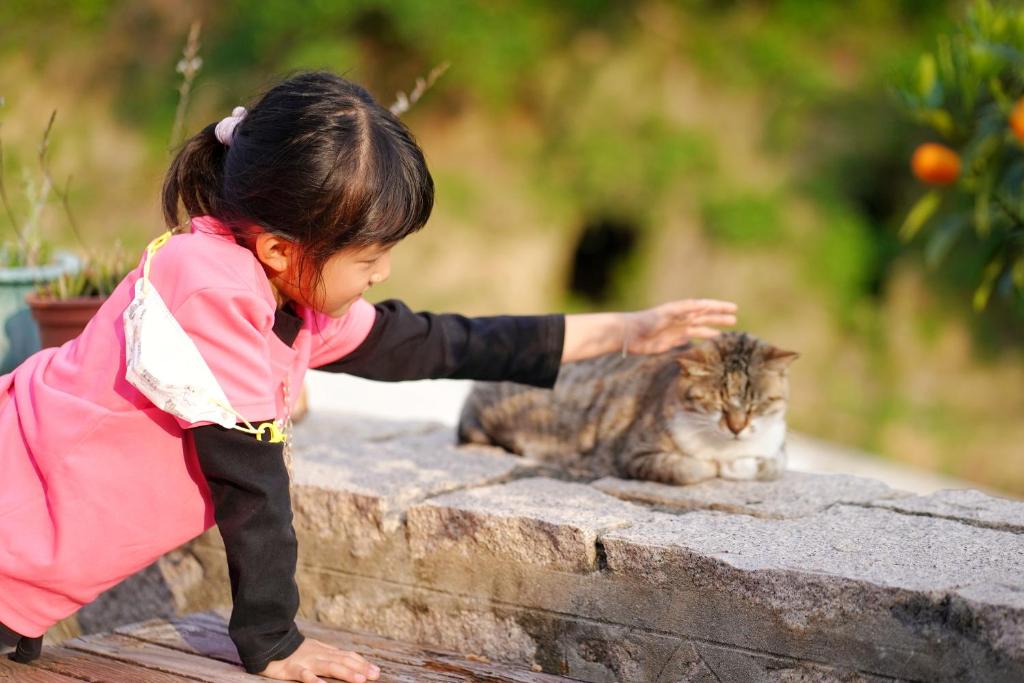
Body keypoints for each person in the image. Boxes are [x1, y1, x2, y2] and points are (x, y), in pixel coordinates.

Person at [0, 70, 738, 683]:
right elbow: (251, 481)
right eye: (370, 256)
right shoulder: (209, 287)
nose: (383, 272)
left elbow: (433, 344)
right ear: (283, 249)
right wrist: (274, 641)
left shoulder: (285, 292)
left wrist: (622, 331)